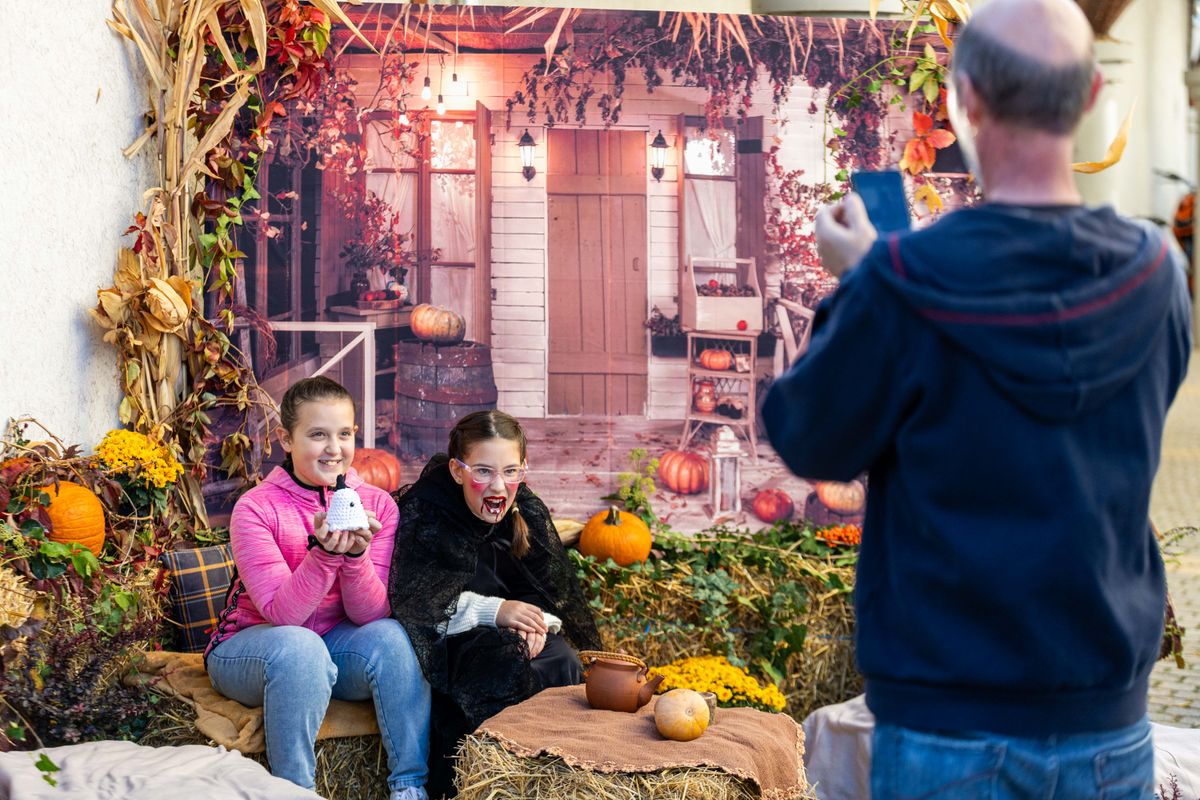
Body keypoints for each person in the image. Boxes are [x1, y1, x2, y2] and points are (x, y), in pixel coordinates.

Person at [762, 0, 1193, 796]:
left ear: (965, 98)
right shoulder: (1156, 274)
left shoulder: (898, 282)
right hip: (1106, 724)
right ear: (1093, 94)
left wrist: (858, 284)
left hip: (944, 726)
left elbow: (809, 436)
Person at [205, 376, 431, 800]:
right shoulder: (256, 507)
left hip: (334, 643)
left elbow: (369, 614)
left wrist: (355, 557)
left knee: (394, 637)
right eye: (317, 435)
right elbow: (283, 615)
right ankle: (296, 791)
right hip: (252, 648)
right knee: (299, 647)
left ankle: (409, 785)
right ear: (286, 440)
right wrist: (324, 555)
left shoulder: (378, 506)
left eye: (344, 434)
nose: (334, 448)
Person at [388, 410, 602, 799]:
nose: (498, 485)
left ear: (524, 470)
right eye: (483, 471)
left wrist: (537, 624)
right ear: (457, 470)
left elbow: (545, 588)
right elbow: (416, 604)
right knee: (501, 664)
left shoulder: (524, 512)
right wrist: (497, 611)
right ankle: (489, 786)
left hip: (513, 629)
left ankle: (557, 782)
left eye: (510, 471)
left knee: (562, 658)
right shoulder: (429, 513)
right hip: (448, 640)